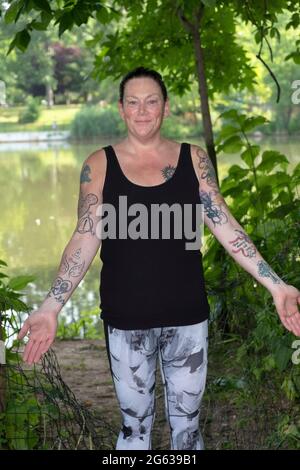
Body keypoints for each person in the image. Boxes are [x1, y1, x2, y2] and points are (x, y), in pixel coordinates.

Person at [18, 66, 300, 451]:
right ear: (121, 109)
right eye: (133, 102)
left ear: (165, 107)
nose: (142, 110)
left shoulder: (194, 159)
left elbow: (225, 226)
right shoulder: (98, 165)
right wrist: (52, 306)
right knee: (134, 430)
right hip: (125, 320)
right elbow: (85, 236)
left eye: (151, 101)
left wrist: (276, 285)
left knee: (187, 431)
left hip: (188, 319)